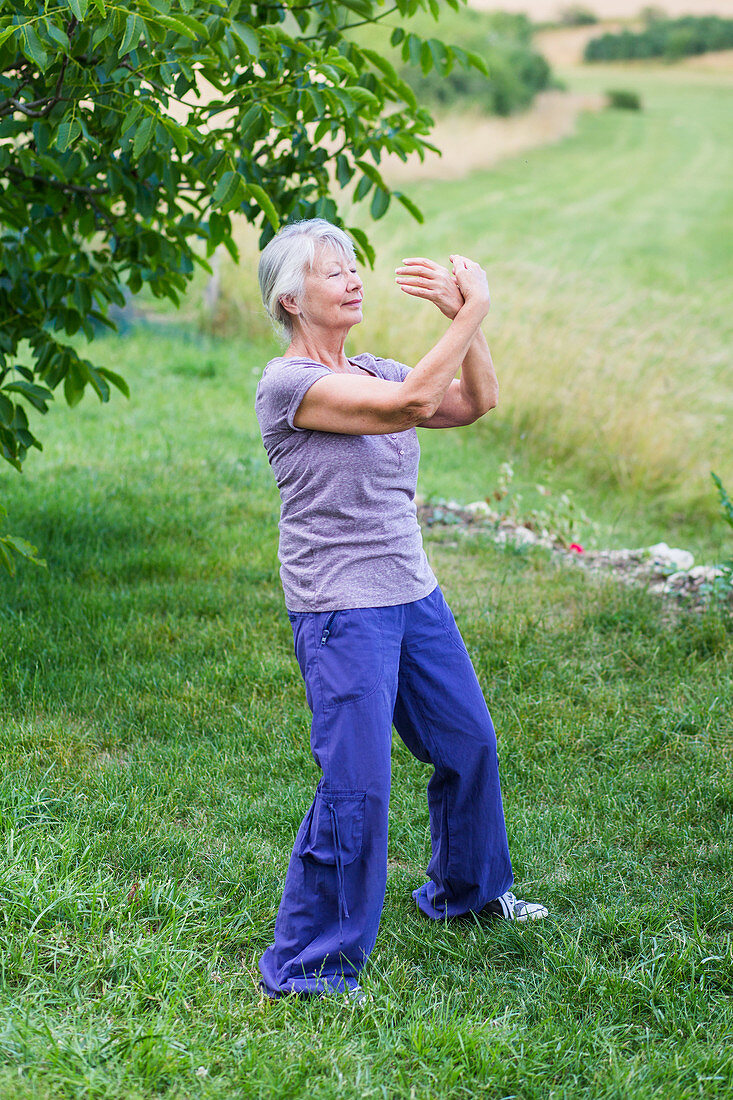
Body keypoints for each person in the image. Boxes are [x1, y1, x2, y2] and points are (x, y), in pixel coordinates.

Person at [254, 218, 547, 1001]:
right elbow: (415, 399)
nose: (352, 278)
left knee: (467, 744)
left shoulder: (374, 367)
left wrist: (462, 322)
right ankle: (314, 965)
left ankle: (467, 896)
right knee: (356, 784)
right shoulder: (288, 386)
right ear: (291, 298)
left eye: (354, 266)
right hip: (340, 606)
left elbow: (474, 401)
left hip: (411, 593)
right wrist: (475, 306)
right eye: (332, 271)